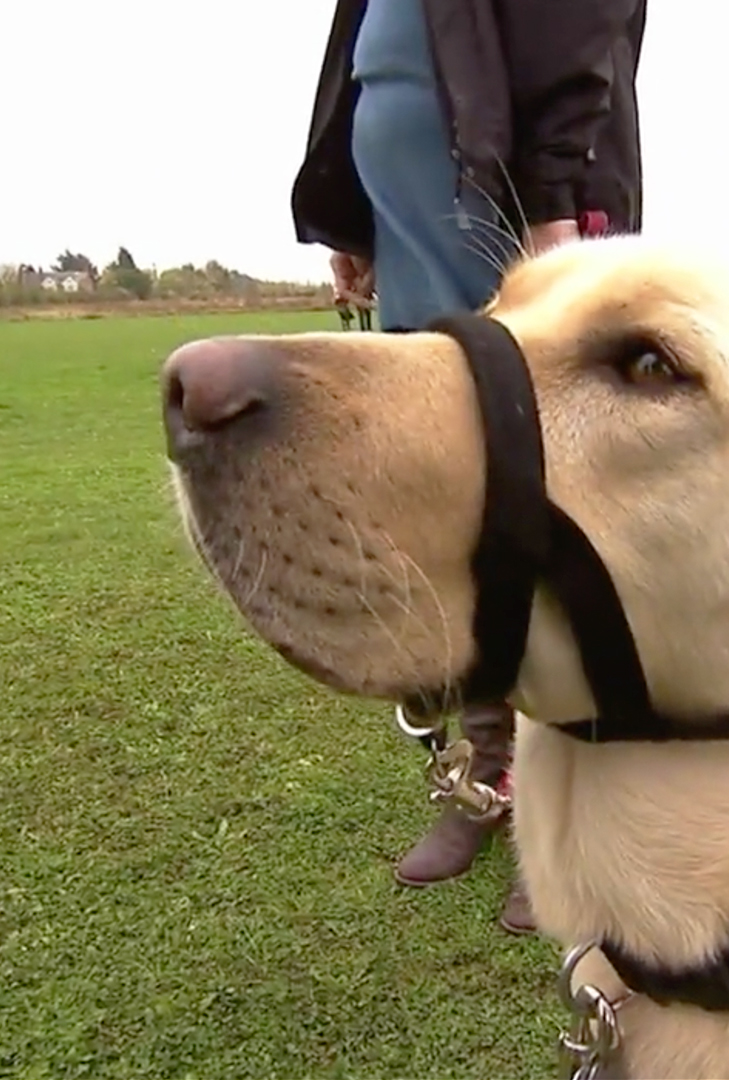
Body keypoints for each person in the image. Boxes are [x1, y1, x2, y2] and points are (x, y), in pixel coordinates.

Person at [291, 0, 646, 935]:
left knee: (547, 516)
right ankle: (487, 773)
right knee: (448, 528)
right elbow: (362, 79)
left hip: (525, 233)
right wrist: (351, 224)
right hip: (414, 257)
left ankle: (564, 805)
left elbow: (582, 28)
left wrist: (562, 203)